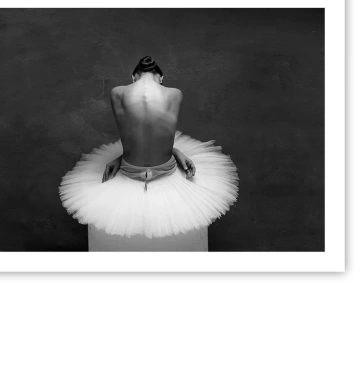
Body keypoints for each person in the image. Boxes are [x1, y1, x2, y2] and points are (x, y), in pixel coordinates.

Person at [59, 56, 239, 239]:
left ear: (133, 77)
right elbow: (161, 134)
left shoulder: (117, 93)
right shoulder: (175, 94)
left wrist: (120, 159)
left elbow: (132, 133)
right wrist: (176, 152)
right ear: (161, 78)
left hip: (130, 168)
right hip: (165, 168)